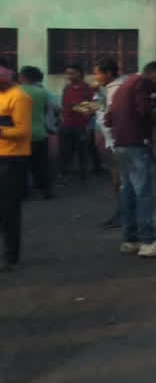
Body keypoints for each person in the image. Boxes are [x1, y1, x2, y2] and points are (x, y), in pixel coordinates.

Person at [105, 61, 156, 258]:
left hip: (121, 143)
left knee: (128, 192)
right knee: (144, 193)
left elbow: (108, 118)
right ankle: (149, 240)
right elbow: (143, 110)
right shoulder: (141, 83)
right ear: (155, 74)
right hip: (136, 143)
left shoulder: (124, 85)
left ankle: (130, 239)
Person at [0, 59, 31, 271]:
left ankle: (11, 257)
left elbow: (22, 131)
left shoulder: (19, 97)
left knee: (9, 210)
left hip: (12, 160)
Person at [92, 58, 124, 228]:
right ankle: (122, 213)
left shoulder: (117, 89)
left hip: (121, 141)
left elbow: (114, 116)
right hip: (113, 141)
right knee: (118, 180)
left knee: (122, 181)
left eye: (97, 73)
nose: (95, 76)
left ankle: (125, 215)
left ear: (108, 73)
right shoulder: (107, 89)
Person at [17, 67, 54, 199]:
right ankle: (47, 191)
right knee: (42, 165)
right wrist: (51, 129)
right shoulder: (42, 93)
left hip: (20, 136)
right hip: (40, 134)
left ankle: (23, 193)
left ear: (23, 77)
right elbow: (49, 113)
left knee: (21, 167)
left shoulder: (14, 92)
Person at [59, 63, 95, 183]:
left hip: (81, 126)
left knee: (82, 152)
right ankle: (64, 175)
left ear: (79, 73)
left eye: (71, 73)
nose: (68, 76)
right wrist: (75, 107)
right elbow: (65, 105)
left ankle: (84, 175)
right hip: (65, 125)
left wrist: (76, 107)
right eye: (67, 73)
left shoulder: (88, 89)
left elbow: (93, 108)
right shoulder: (66, 89)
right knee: (65, 152)